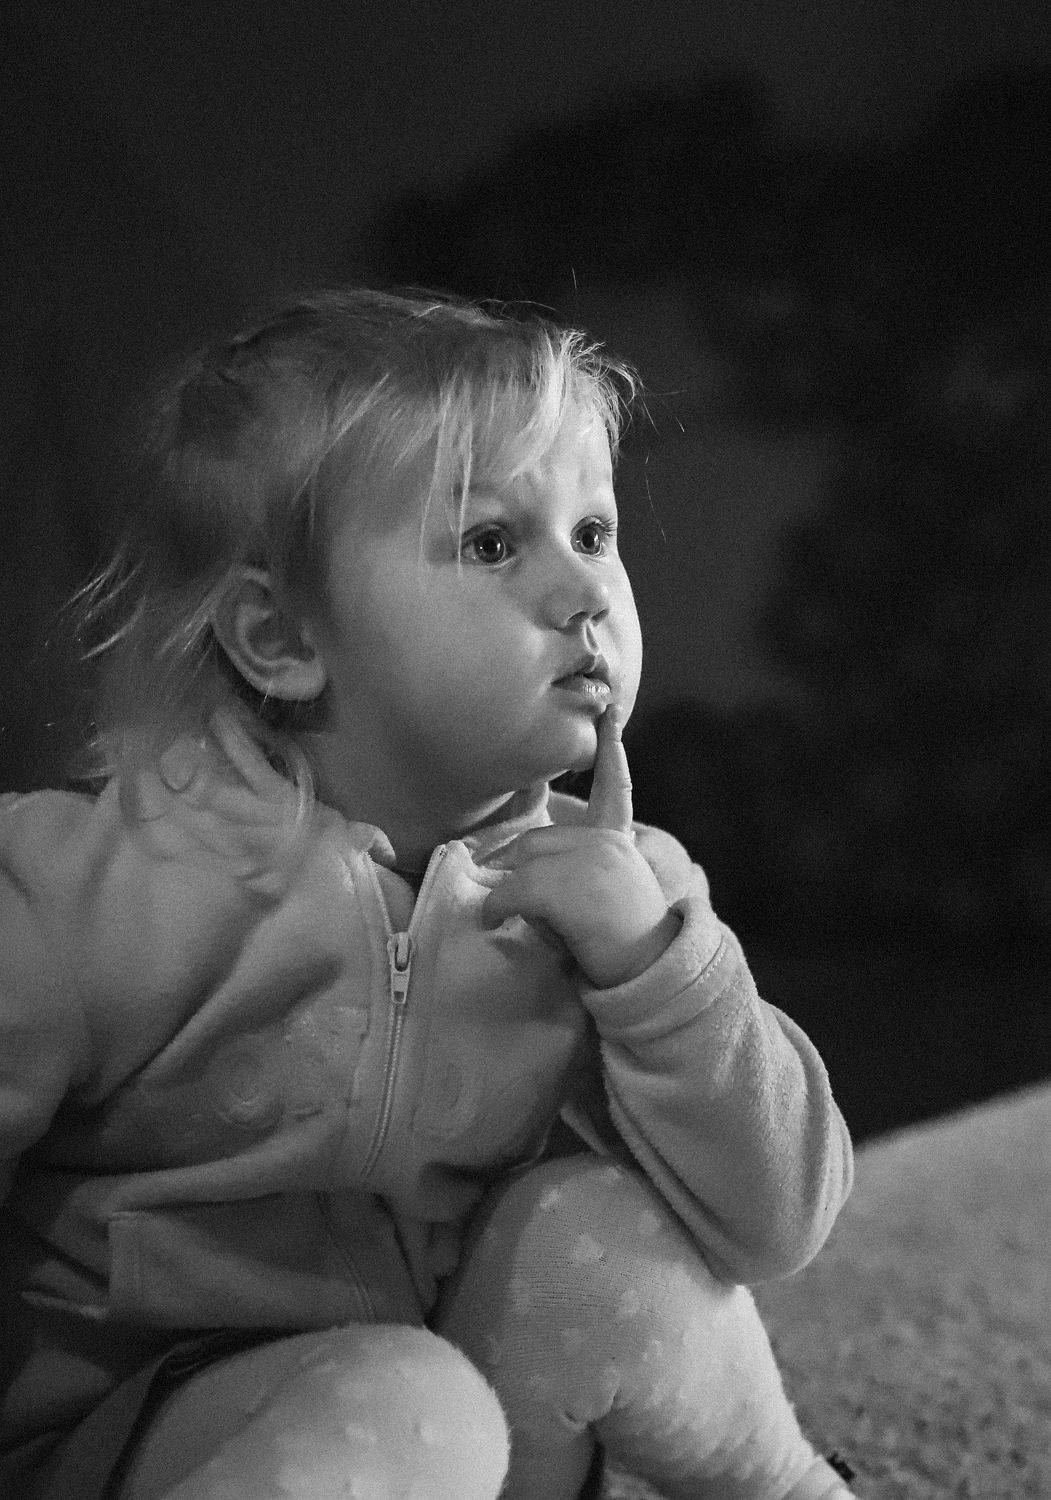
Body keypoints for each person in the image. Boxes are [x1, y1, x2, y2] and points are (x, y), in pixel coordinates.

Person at [1, 288, 856, 1499]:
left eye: (594, 532)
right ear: (282, 639)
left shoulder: (622, 891)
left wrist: (657, 971)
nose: (585, 594)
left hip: (458, 1427)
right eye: (494, 543)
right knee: (410, 1399)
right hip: (145, 1440)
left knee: (592, 1229)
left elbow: (776, 1225)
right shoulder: (90, 888)